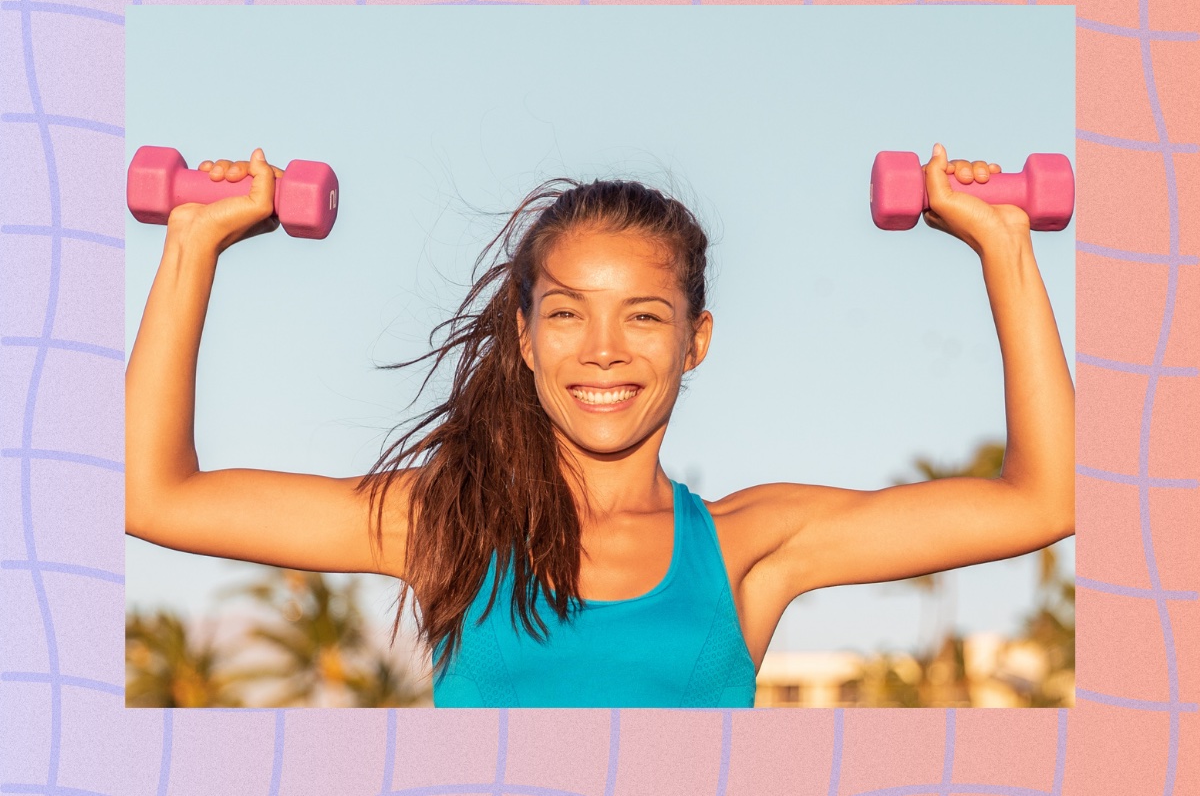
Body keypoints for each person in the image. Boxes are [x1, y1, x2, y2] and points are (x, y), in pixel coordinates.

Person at [125, 144, 1074, 708]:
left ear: (696, 339)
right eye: (569, 312)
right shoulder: (447, 525)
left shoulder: (751, 545)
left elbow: (1047, 498)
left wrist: (1005, 246)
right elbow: (150, 493)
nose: (604, 350)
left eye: (646, 315)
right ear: (526, 339)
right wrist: (191, 246)